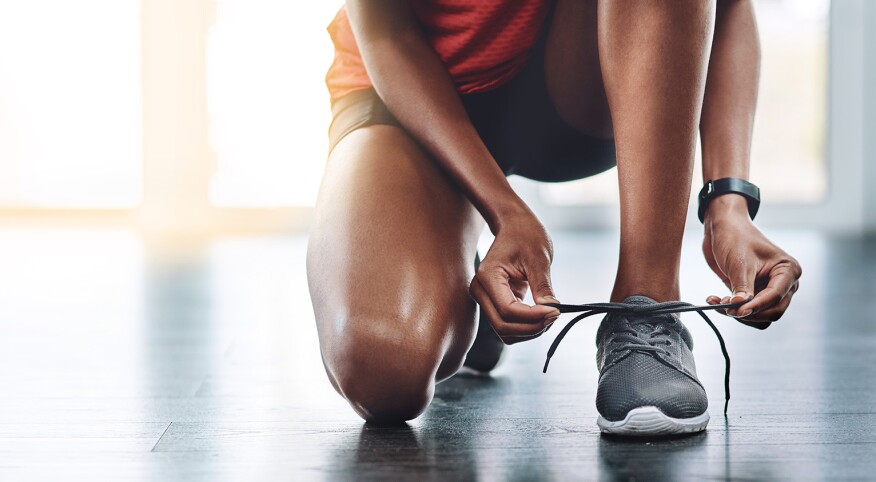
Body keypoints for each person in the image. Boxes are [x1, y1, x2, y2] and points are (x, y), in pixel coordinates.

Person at [306, 0, 802, 436]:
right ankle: (450, 273)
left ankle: (648, 304)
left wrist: (728, 205)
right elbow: (386, 33)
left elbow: (730, 5)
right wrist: (504, 211)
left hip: (566, 77)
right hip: (413, 91)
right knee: (383, 370)